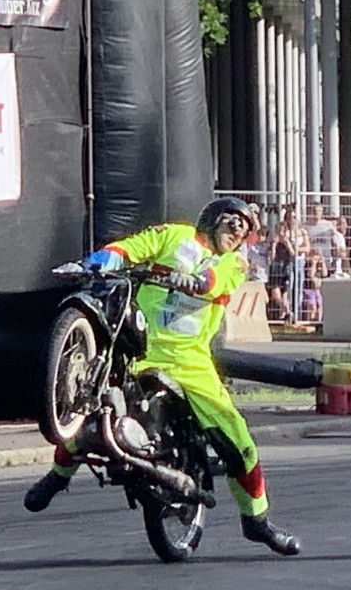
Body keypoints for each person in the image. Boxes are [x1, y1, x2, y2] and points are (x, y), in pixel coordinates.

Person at [23, 197, 302, 556]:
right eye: (233, 222)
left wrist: (193, 280)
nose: (237, 232)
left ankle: (257, 520)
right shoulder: (174, 235)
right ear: (213, 218)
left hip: (191, 363)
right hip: (139, 350)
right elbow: (132, 248)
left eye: (244, 230)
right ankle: (58, 475)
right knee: (91, 410)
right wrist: (103, 259)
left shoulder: (234, 262)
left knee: (240, 443)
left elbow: (213, 282)